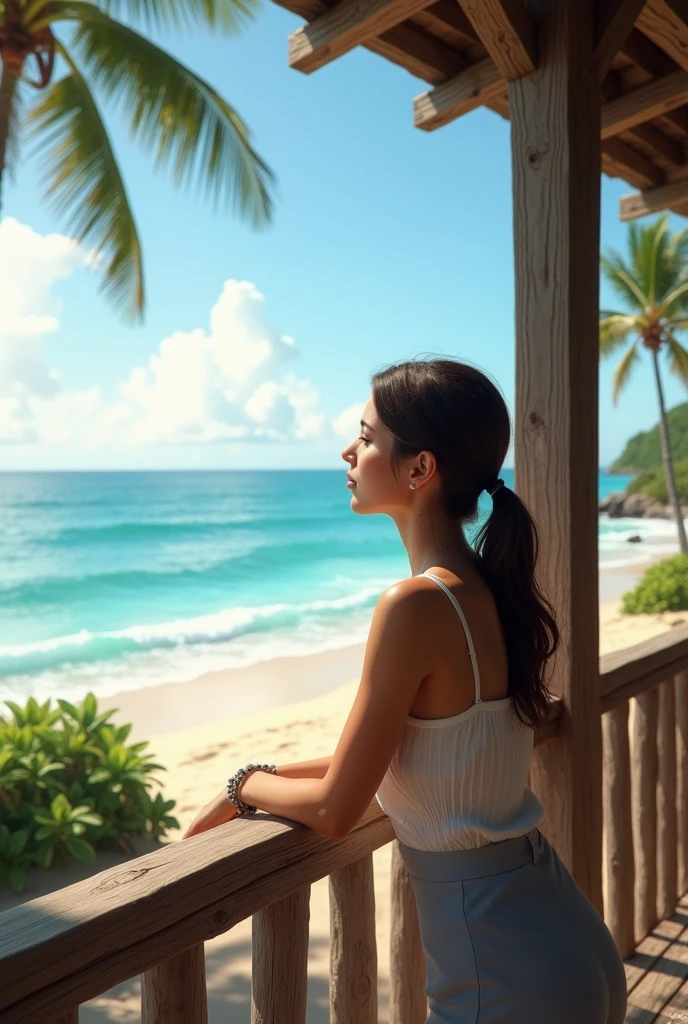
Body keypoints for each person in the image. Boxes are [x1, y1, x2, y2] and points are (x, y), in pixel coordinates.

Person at [183, 357, 628, 1024]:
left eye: (364, 437)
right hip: (562, 939)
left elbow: (338, 807)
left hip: (502, 974)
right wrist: (266, 774)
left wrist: (244, 785)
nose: (347, 450)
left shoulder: (414, 605)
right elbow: (387, 759)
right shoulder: (483, 587)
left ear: (419, 469)